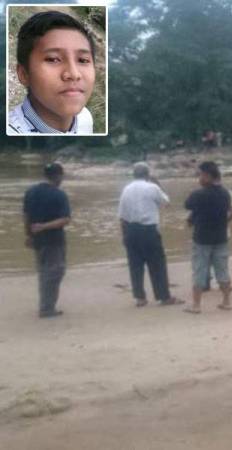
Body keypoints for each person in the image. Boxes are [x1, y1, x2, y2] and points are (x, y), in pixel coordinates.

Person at [8, 11, 96, 134]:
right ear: (24, 74)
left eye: (83, 60)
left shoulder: (85, 118)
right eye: (53, 59)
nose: (74, 74)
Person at [118, 162, 182, 307]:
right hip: (148, 230)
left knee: (135, 265)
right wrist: (157, 183)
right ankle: (163, 297)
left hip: (131, 230)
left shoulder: (126, 189)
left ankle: (140, 297)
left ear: (134, 174)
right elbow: (166, 202)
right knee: (157, 264)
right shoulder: (152, 187)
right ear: (147, 174)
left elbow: (122, 216)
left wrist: (124, 235)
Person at [184, 162, 232, 314]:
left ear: (207, 176)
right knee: (222, 270)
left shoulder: (199, 194)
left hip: (202, 239)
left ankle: (196, 305)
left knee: (199, 271)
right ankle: (226, 301)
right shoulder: (225, 193)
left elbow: (187, 205)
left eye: (200, 175)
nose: (199, 178)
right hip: (220, 237)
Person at [23, 163, 71, 318]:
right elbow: (65, 219)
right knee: (55, 272)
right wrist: (44, 226)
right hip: (54, 240)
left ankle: (45, 305)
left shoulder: (30, 192)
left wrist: (29, 235)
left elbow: (26, 217)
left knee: (43, 271)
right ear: (58, 176)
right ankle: (47, 308)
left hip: (38, 239)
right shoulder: (59, 195)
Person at [201, 173, 232, 291]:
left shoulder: (203, 192)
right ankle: (225, 283)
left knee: (205, 257)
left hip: (205, 232)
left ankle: (206, 282)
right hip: (222, 231)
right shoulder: (226, 192)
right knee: (221, 258)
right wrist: (226, 220)